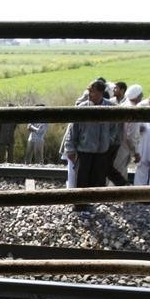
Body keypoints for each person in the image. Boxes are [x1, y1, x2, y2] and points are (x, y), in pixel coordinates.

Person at [63, 80, 115, 209]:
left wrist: (109, 140)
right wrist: (70, 148)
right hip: (84, 149)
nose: (90, 93)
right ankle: (80, 204)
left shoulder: (110, 108)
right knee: (82, 178)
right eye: (89, 90)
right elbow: (72, 129)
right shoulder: (82, 107)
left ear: (101, 92)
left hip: (101, 150)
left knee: (97, 178)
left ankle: (92, 203)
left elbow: (115, 127)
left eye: (93, 91)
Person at [111, 84, 144, 185]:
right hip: (124, 148)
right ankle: (116, 198)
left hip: (116, 145)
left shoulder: (123, 105)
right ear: (137, 96)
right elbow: (131, 137)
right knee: (119, 173)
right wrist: (136, 153)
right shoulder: (133, 111)